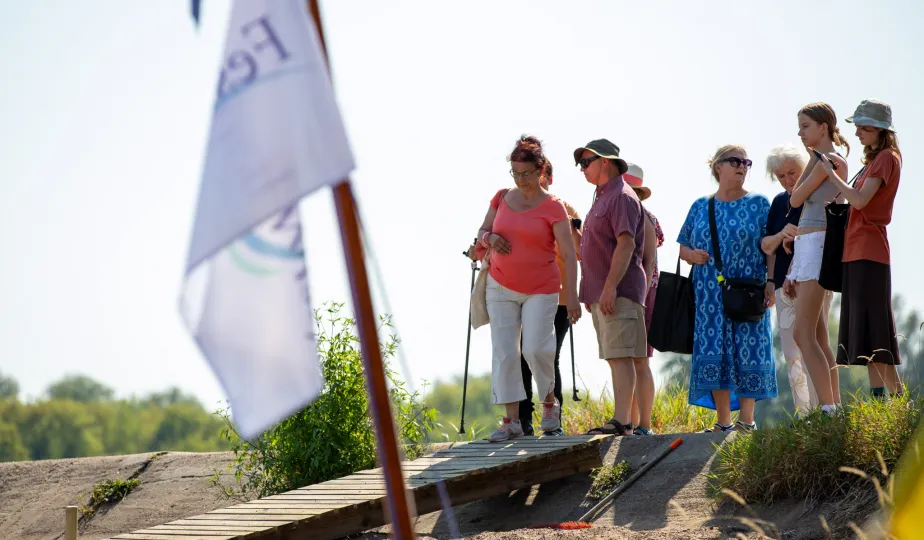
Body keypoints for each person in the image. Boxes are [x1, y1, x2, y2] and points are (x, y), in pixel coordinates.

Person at [476, 135, 582, 442]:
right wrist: (489, 239)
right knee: (506, 351)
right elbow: (483, 230)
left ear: (540, 170)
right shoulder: (501, 197)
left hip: (542, 287)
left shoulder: (554, 207)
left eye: (526, 173)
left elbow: (568, 254)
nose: (521, 180)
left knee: (536, 348)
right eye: (515, 173)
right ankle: (511, 421)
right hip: (501, 286)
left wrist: (572, 297)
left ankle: (549, 401)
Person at [678, 145, 776, 432]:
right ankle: (723, 423)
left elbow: (770, 246)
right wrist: (692, 255)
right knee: (715, 350)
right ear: (718, 166)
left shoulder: (759, 203)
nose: (742, 166)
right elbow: (683, 245)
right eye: (735, 161)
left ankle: (746, 421)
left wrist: (771, 281)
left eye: (746, 162)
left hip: (749, 290)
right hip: (709, 293)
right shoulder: (700, 205)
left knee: (750, 349)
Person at [820, 99, 903, 397]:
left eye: (863, 127)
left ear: (879, 129)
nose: (857, 132)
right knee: (871, 331)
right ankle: (891, 403)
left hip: (869, 250)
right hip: (859, 250)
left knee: (875, 331)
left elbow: (860, 200)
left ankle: (888, 403)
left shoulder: (885, 159)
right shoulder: (878, 160)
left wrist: (832, 177)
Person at [573, 139, 648, 437]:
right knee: (614, 356)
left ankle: (622, 422)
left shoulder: (621, 196)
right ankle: (621, 421)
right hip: (603, 294)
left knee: (621, 356)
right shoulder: (602, 197)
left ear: (605, 161)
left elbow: (627, 243)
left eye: (586, 162)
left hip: (617, 292)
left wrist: (609, 288)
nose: (582, 169)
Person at [781, 103, 849, 415]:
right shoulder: (817, 161)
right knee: (818, 333)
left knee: (801, 332)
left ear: (823, 127)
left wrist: (817, 165)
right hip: (809, 245)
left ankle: (828, 408)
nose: (800, 132)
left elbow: (795, 198)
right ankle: (833, 405)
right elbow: (799, 198)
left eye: (805, 126)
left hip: (818, 242)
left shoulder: (831, 161)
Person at [761, 144, 821, 415]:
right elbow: (766, 246)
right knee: (790, 351)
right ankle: (804, 412)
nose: (788, 180)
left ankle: (825, 408)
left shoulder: (815, 197)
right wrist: (771, 282)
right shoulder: (778, 203)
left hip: (813, 282)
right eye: (781, 176)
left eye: (792, 172)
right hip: (784, 287)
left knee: (816, 345)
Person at [624, 163, 660, 436]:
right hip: (627, 295)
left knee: (640, 360)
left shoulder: (645, 218)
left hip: (644, 295)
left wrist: (642, 295)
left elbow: (648, 263)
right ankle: (630, 422)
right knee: (627, 361)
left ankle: (643, 424)